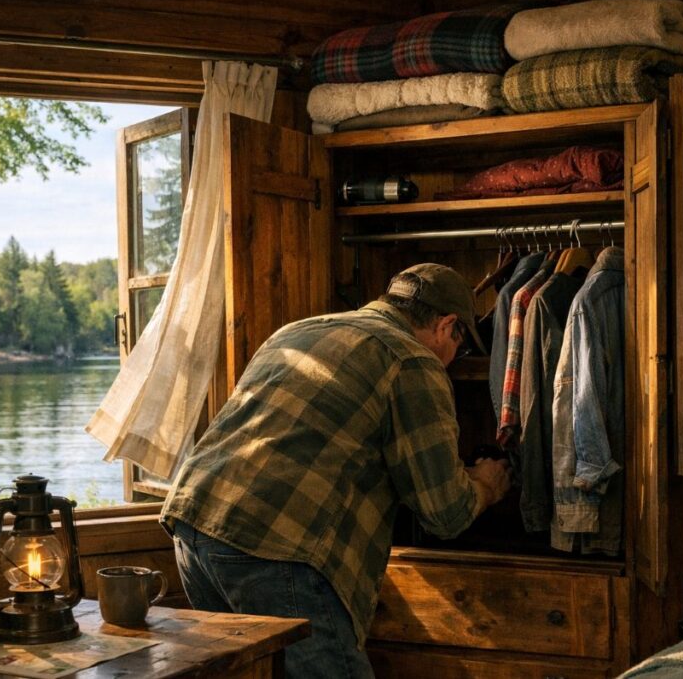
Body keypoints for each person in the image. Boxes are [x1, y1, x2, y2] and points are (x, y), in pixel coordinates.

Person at [161, 263, 512, 678]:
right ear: (446, 325)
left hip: (194, 523)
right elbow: (445, 513)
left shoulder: (297, 331)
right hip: (277, 547)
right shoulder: (412, 360)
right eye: (462, 346)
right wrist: (487, 485)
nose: (456, 358)